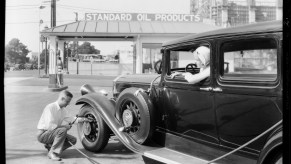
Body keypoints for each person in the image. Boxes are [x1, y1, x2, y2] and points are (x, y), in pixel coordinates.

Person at [36, 90, 91, 161]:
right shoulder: (50, 107)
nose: (68, 104)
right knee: (62, 131)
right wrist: (64, 127)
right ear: (62, 98)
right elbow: (50, 126)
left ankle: (51, 148)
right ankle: (53, 153)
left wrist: (85, 119)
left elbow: (72, 119)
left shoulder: (63, 110)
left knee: (73, 140)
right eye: (67, 101)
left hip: (52, 133)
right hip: (43, 134)